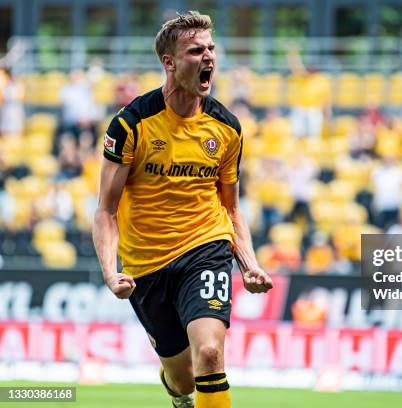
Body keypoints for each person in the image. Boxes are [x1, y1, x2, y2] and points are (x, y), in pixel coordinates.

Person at [92, 12, 273, 408]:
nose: (208, 56)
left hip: (204, 248)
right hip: (147, 266)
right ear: (169, 62)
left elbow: (232, 208)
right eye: (196, 50)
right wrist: (110, 271)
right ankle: (177, 393)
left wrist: (248, 264)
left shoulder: (227, 128)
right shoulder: (131, 124)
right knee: (182, 376)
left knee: (209, 353)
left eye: (211, 48)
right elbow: (106, 210)